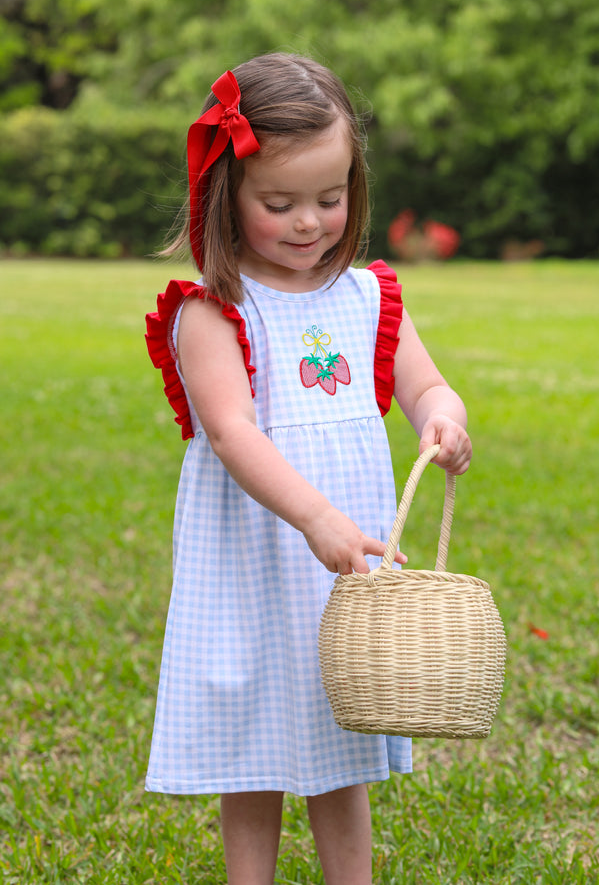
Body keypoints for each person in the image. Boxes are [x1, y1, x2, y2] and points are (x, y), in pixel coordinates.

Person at [145, 52, 472, 885]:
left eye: (329, 200)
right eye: (278, 203)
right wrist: (314, 516)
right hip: (258, 562)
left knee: (342, 743)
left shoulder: (367, 297)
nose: (308, 223)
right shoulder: (213, 312)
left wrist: (443, 416)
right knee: (256, 745)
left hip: (344, 571)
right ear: (227, 197)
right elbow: (232, 433)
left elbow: (423, 383)